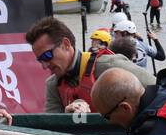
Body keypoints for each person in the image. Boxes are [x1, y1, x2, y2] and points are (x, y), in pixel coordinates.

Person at [25, 15, 154, 115]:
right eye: (40, 60)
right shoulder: (53, 85)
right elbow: (51, 129)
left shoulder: (108, 65)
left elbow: (160, 88)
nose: (44, 66)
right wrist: (65, 115)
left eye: (47, 56)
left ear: (65, 44)